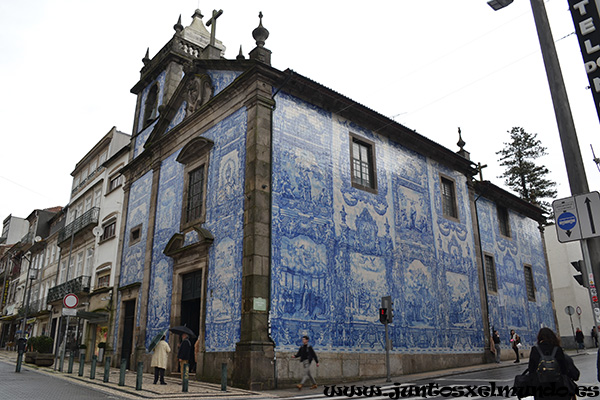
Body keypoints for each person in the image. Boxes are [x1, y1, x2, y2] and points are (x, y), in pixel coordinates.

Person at [528, 327, 579, 400]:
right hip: (559, 388)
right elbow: (564, 369)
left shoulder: (535, 350)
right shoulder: (558, 349)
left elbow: (531, 370)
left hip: (541, 389)